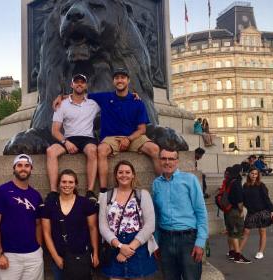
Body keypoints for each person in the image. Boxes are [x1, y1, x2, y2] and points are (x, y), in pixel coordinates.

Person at [54, 68, 160, 193]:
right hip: (111, 138)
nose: (120, 80)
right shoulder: (104, 97)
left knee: (154, 149)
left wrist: (129, 138)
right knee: (101, 150)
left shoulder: (137, 102)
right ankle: (103, 190)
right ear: (113, 81)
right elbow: (79, 95)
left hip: (133, 136)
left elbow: (142, 129)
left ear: (128, 80)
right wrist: (61, 97)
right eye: (117, 78)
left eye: (123, 78)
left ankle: (163, 182)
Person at [152, 148, 208, 280]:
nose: (167, 162)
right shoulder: (156, 184)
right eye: (164, 158)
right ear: (160, 161)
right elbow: (156, 215)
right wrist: (156, 241)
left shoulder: (189, 180)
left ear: (177, 161)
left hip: (188, 239)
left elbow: (201, 212)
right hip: (165, 240)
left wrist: (200, 242)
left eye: (171, 159)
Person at [0, 154, 44, 280]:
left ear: (31, 169)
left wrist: (39, 249)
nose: (23, 168)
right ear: (14, 168)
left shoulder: (35, 195)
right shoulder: (1, 192)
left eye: (27, 165)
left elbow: (38, 224)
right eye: (19, 165)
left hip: (33, 256)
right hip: (8, 256)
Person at [99, 160, 157, 279]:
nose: (124, 175)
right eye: (120, 172)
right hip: (114, 245)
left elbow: (150, 225)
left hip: (138, 245)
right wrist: (120, 246)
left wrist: (129, 248)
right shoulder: (106, 196)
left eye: (127, 172)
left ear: (133, 175)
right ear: (116, 175)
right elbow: (103, 226)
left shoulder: (142, 195)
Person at [46, 74, 100, 202]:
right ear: (72, 85)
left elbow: (113, 100)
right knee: (50, 151)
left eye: (82, 82)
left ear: (86, 85)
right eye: (76, 82)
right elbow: (55, 130)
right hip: (69, 138)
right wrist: (66, 142)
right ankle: (53, 191)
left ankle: (90, 191)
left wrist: (134, 96)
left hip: (87, 138)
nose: (79, 84)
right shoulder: (62, 104)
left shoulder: (93, 103)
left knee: (93, 150)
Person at [42, 169, 99, 280]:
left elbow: (93, 228)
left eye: (70, 182)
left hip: (82, 256)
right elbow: (46, 233)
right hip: (60, 257)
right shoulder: (49, 205)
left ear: (76, 184)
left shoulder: (85, 203)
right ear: (58, 184)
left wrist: (95, 253)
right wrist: (56, 257)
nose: (67, 185)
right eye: (64, 182)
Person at [239, 167, 273, 260]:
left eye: (256, 174)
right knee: (246, 231)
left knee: (262, 232)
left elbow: (266, 198)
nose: (254, 175)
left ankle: (260, 252)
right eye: (252, 173)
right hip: (251, 212)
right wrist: (241, 210)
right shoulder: (245, 185)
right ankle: (238, 251)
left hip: (262, 211)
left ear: (258, 175)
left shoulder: (261, 185)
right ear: (249, 174)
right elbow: (243, 199)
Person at [224, 164, 252, 264]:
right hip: (235, 211)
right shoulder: (237, 183)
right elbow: (240, 202)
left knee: (231, 232)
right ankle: (238, 256)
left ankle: (231, 252)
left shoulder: (228, 181)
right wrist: (241, 212)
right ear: (239, 172)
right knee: (237, 233)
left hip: (227, 211)